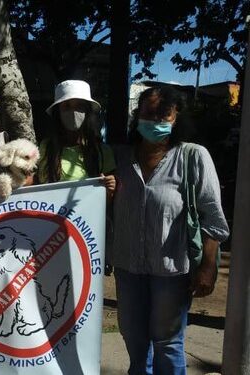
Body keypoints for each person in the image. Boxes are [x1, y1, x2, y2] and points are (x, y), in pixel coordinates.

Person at [110, 86, 229, 374]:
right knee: (135, 341)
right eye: (148, 113)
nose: (155, 120)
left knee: (168, 344)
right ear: (137, 115)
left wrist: (208, 267)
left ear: (176, 117)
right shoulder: (119, 159)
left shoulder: (193, 157)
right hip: (128, 270)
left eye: (164, 113)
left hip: (172, 273)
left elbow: (212, 217)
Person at [36, 80, 116, 193]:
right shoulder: (46, 147)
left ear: (87, 111)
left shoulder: (102, 151)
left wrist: (110, 189)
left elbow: (105, 201)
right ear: (57, 113)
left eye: (79, 106)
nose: (73, 112)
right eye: (66, 106)